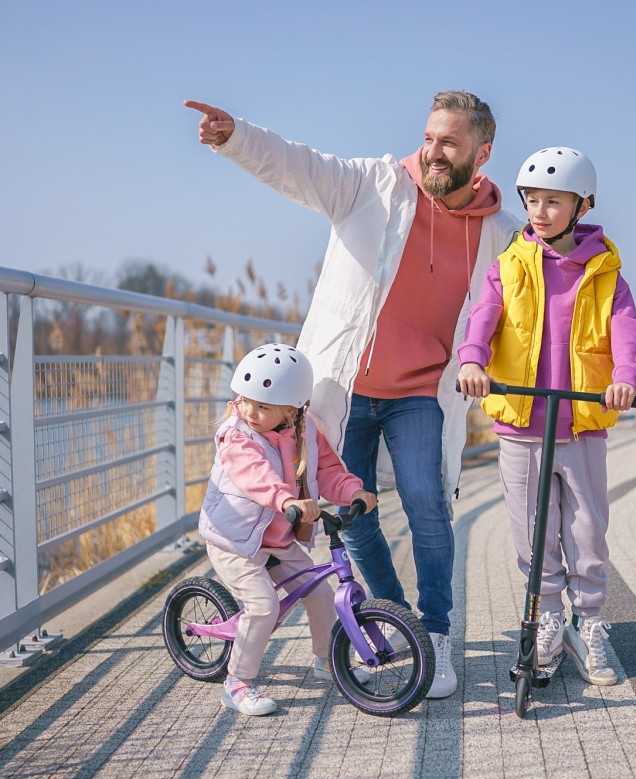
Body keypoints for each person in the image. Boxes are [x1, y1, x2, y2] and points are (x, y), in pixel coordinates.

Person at [185, 92, 520, 699]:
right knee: (351, 510)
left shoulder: (501, 232)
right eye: (429, 137)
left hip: (424, 393)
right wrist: (237, 137)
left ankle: (437, 635)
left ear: (482, 152)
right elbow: (298, 165)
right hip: (345, 388)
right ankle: (397, 620)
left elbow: (543, 285)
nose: (433, 151)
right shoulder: (374, 186)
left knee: (427, 503)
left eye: (450, 142)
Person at [456, 147, 636, 686]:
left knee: (587, 530)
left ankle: (590, 624)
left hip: (582, 423)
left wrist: (625, 377)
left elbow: (628, 329)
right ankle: (549, 619)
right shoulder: (509, 266)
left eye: (553, 202)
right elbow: (482, 319)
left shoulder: (606, 271)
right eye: (532, 201)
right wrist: (473, 361)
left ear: (581, 205)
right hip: (521, 426)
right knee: (533, 533)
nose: (539, 212)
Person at [198, 342, 377, 715]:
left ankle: (328, 659)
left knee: (322, 594)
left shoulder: (305, 431)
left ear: (292, 409)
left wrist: (353, 490)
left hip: (277, 540)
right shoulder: (237, 436)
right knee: (263, 606)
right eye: (244, 399)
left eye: (262, 406)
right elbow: (255, 477)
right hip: (235, 541)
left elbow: (327, 470)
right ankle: (237, 683)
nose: (249, 410)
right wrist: (286, 500)